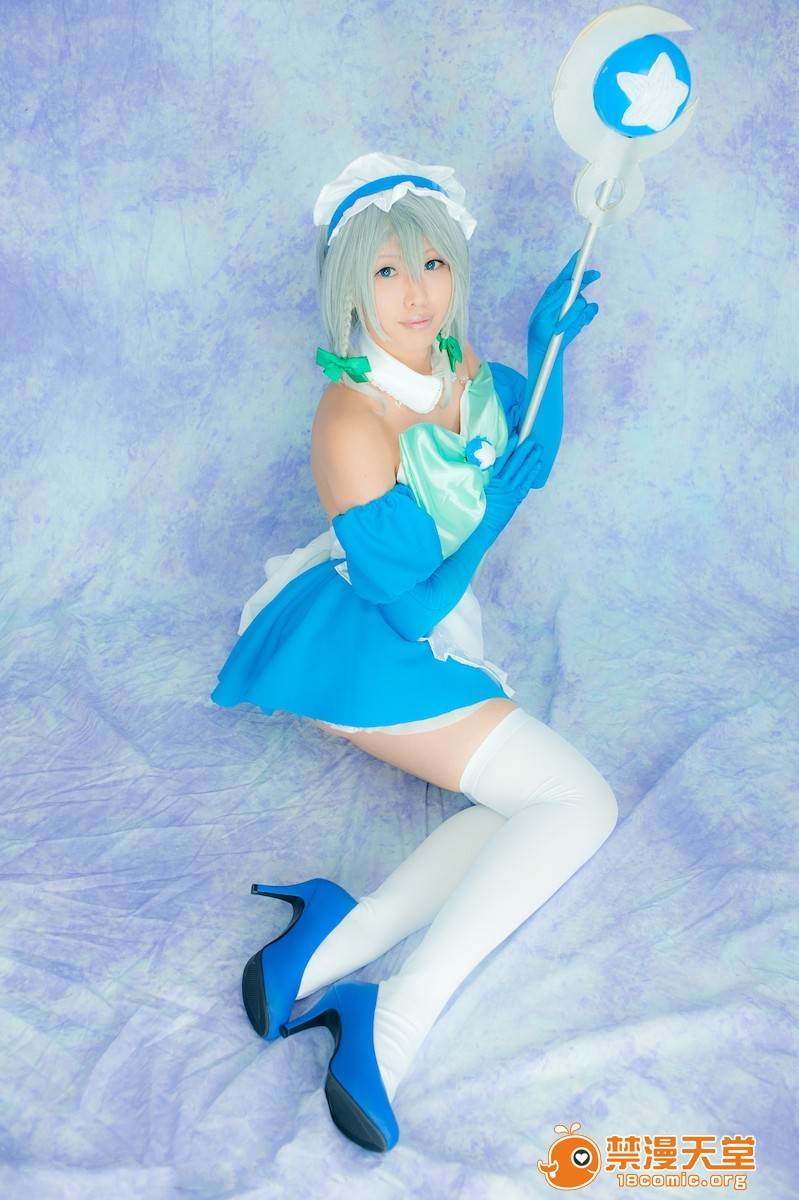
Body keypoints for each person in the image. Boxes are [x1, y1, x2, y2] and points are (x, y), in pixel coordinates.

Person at [211, 152, 618, 1153]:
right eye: (386, 271)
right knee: (579, 805)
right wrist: (491, 523)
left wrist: (545, 349)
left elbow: (527, 449)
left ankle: (330, 942)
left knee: (515, 808)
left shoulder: (459, 366)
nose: (415, 292)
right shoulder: (352, 418)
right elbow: (407, 607)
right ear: (350, 289)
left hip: (412, 627)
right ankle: (390, 1017)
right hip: (364, 645)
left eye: (430, 263)